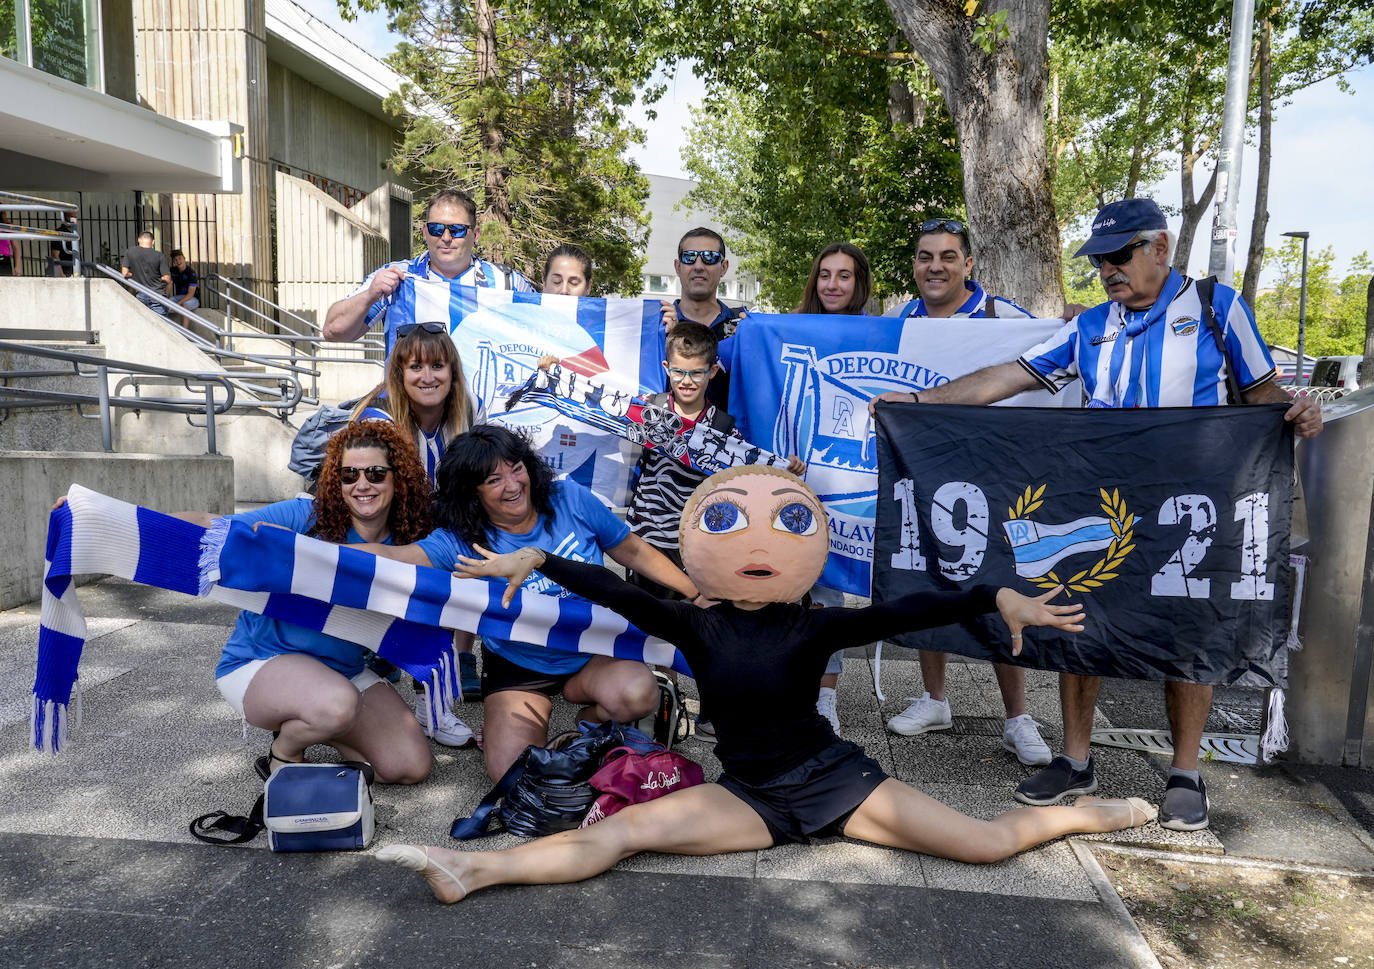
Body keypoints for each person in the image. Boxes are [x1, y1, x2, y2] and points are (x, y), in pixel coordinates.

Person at [376, 465, 1157, 904]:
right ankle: (473, 869)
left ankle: (1092, 813)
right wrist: (538, 560)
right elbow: (617, 590)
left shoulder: (815, 625)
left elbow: (915, 605)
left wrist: (997, 596)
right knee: (613, 836)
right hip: (748, 793)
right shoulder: (697, 623)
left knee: (986, 845)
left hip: (837, 780)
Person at [869, 197, 1324, 831]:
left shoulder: (1219, 310)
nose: (1107, 269)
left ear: (1159, 249)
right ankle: (1074, 758)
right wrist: (918, 401)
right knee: (1083, 620)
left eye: (1119, 255)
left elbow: (1262, 393)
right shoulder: (1090, 328)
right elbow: (1012, 376)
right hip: (1109, 498)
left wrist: (1298, 408)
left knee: (1188, 633)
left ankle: (1185, 772)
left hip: (1193, 503)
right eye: (1099, 259)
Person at [355, 424, 700, 781]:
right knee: (510, 774)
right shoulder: (463, 538)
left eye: (516, 468)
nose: (513, 484)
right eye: (493, 479)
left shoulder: (569, 498)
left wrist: (694, 593)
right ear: (471, 493)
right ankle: (529, 727)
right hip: (519, 664)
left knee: (639, 694)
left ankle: (588, 722)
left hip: (592, 650)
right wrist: (314, 554)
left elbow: (633, 550)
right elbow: (398, 557)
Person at [875, 219, 1052, 766]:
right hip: (923, 471)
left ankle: (1018, 717)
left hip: (995, 475)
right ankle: (933, 699)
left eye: (948, 257)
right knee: (926, 577)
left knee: (1002, 586)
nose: (935, 266)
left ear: (968, 265)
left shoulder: (1007, 319)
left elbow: (1052, 359)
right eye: (925, 256)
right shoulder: (900, 319)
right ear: (914, 265)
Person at [189, 421, 434, 783]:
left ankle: (324, 724)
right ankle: (284, 752)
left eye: (376, 473)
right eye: (349, 474)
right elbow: (207, 526)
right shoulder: (305, 516)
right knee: (336, 706)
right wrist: (89, 514)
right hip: (261, 662)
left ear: (399, 478)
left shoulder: (410, 542)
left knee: (409, 767)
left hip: (342, 669)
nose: (361, 485)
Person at [619, 321, 805, 738]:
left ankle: (709, 709)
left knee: (705, 628)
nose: (686, 381)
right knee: (651, 626)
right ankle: (655, 707)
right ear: (666, 367)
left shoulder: (724, 427)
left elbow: (745, 475)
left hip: (696, 546)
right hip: (648, 542)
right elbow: (596, 411)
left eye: (696, 372)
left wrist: (784, 468)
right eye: (679, 371)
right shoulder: (646, 410)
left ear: (713, 372)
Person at [352, 321, 482, 744]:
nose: (428, 377)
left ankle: (434, 708)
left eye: (438, 366)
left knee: (440, 603)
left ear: (453, 371)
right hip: (379, 528)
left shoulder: (468, 411)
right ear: (399, 373)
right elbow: (363, 492)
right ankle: (357, 699)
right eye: (416, 367)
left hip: (436, 530)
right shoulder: (380, 418)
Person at [792, 241, 876, 734]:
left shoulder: (876, 331)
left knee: (828, 591)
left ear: (859, 282)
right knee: (776, 588)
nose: (833, 284)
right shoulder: (790, 328)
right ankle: (777, 686)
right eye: (825, 274)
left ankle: (825, 698)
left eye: (844, 276)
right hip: (792, 478)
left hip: (844, 485)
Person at [323, 187, 534, 356]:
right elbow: (332, 331)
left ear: (475, 234)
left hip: (479, 409)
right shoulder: (398, 277)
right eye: (436, 229)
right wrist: (370, 295)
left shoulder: (506, 282)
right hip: (409, 408)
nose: (446, 237)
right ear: (425, 232)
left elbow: (551, 326)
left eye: (458, 230)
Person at [661, 227, 743, 409]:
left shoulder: (742, 326)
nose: (699, 266)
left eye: (709, 257)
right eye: (689, 257)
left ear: (724, 267)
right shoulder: (657, 326)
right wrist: (667, 337)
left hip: (730, 435)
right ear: (678, 266)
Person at [120, 231, 171, 315]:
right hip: (158, 295)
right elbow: (167, 279)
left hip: (141, 295)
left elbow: (125, 273)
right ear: (153, 242)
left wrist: (133, 275)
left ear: (139, 240)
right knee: (160, 325)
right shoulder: (159, 255)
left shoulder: (130, 252)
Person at [169, 249, 200, 320]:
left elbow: (191, 294)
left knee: (184, 306)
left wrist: (178, 304)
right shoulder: (172, 270)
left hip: (192, 298)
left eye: (180, 258)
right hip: (178, 297)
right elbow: (169, 285)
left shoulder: (191, 273)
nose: (178, 261)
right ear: (173, 262)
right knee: (164, 304)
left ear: (184, 258)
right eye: (175, 260)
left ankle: (184, 330)